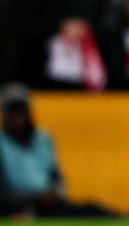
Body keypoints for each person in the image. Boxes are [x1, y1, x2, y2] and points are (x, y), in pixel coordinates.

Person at [0, 83, 120, 218]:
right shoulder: (2, 143)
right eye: (12, 113)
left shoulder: (43, 139)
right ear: (6, 115)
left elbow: (56, 176)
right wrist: (30, 198)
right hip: (17, 205)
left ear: (28, 114)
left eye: (21, 113)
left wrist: (55, 193)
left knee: (88, 208)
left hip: (48, 203)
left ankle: (127, 217)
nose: (17, 119)